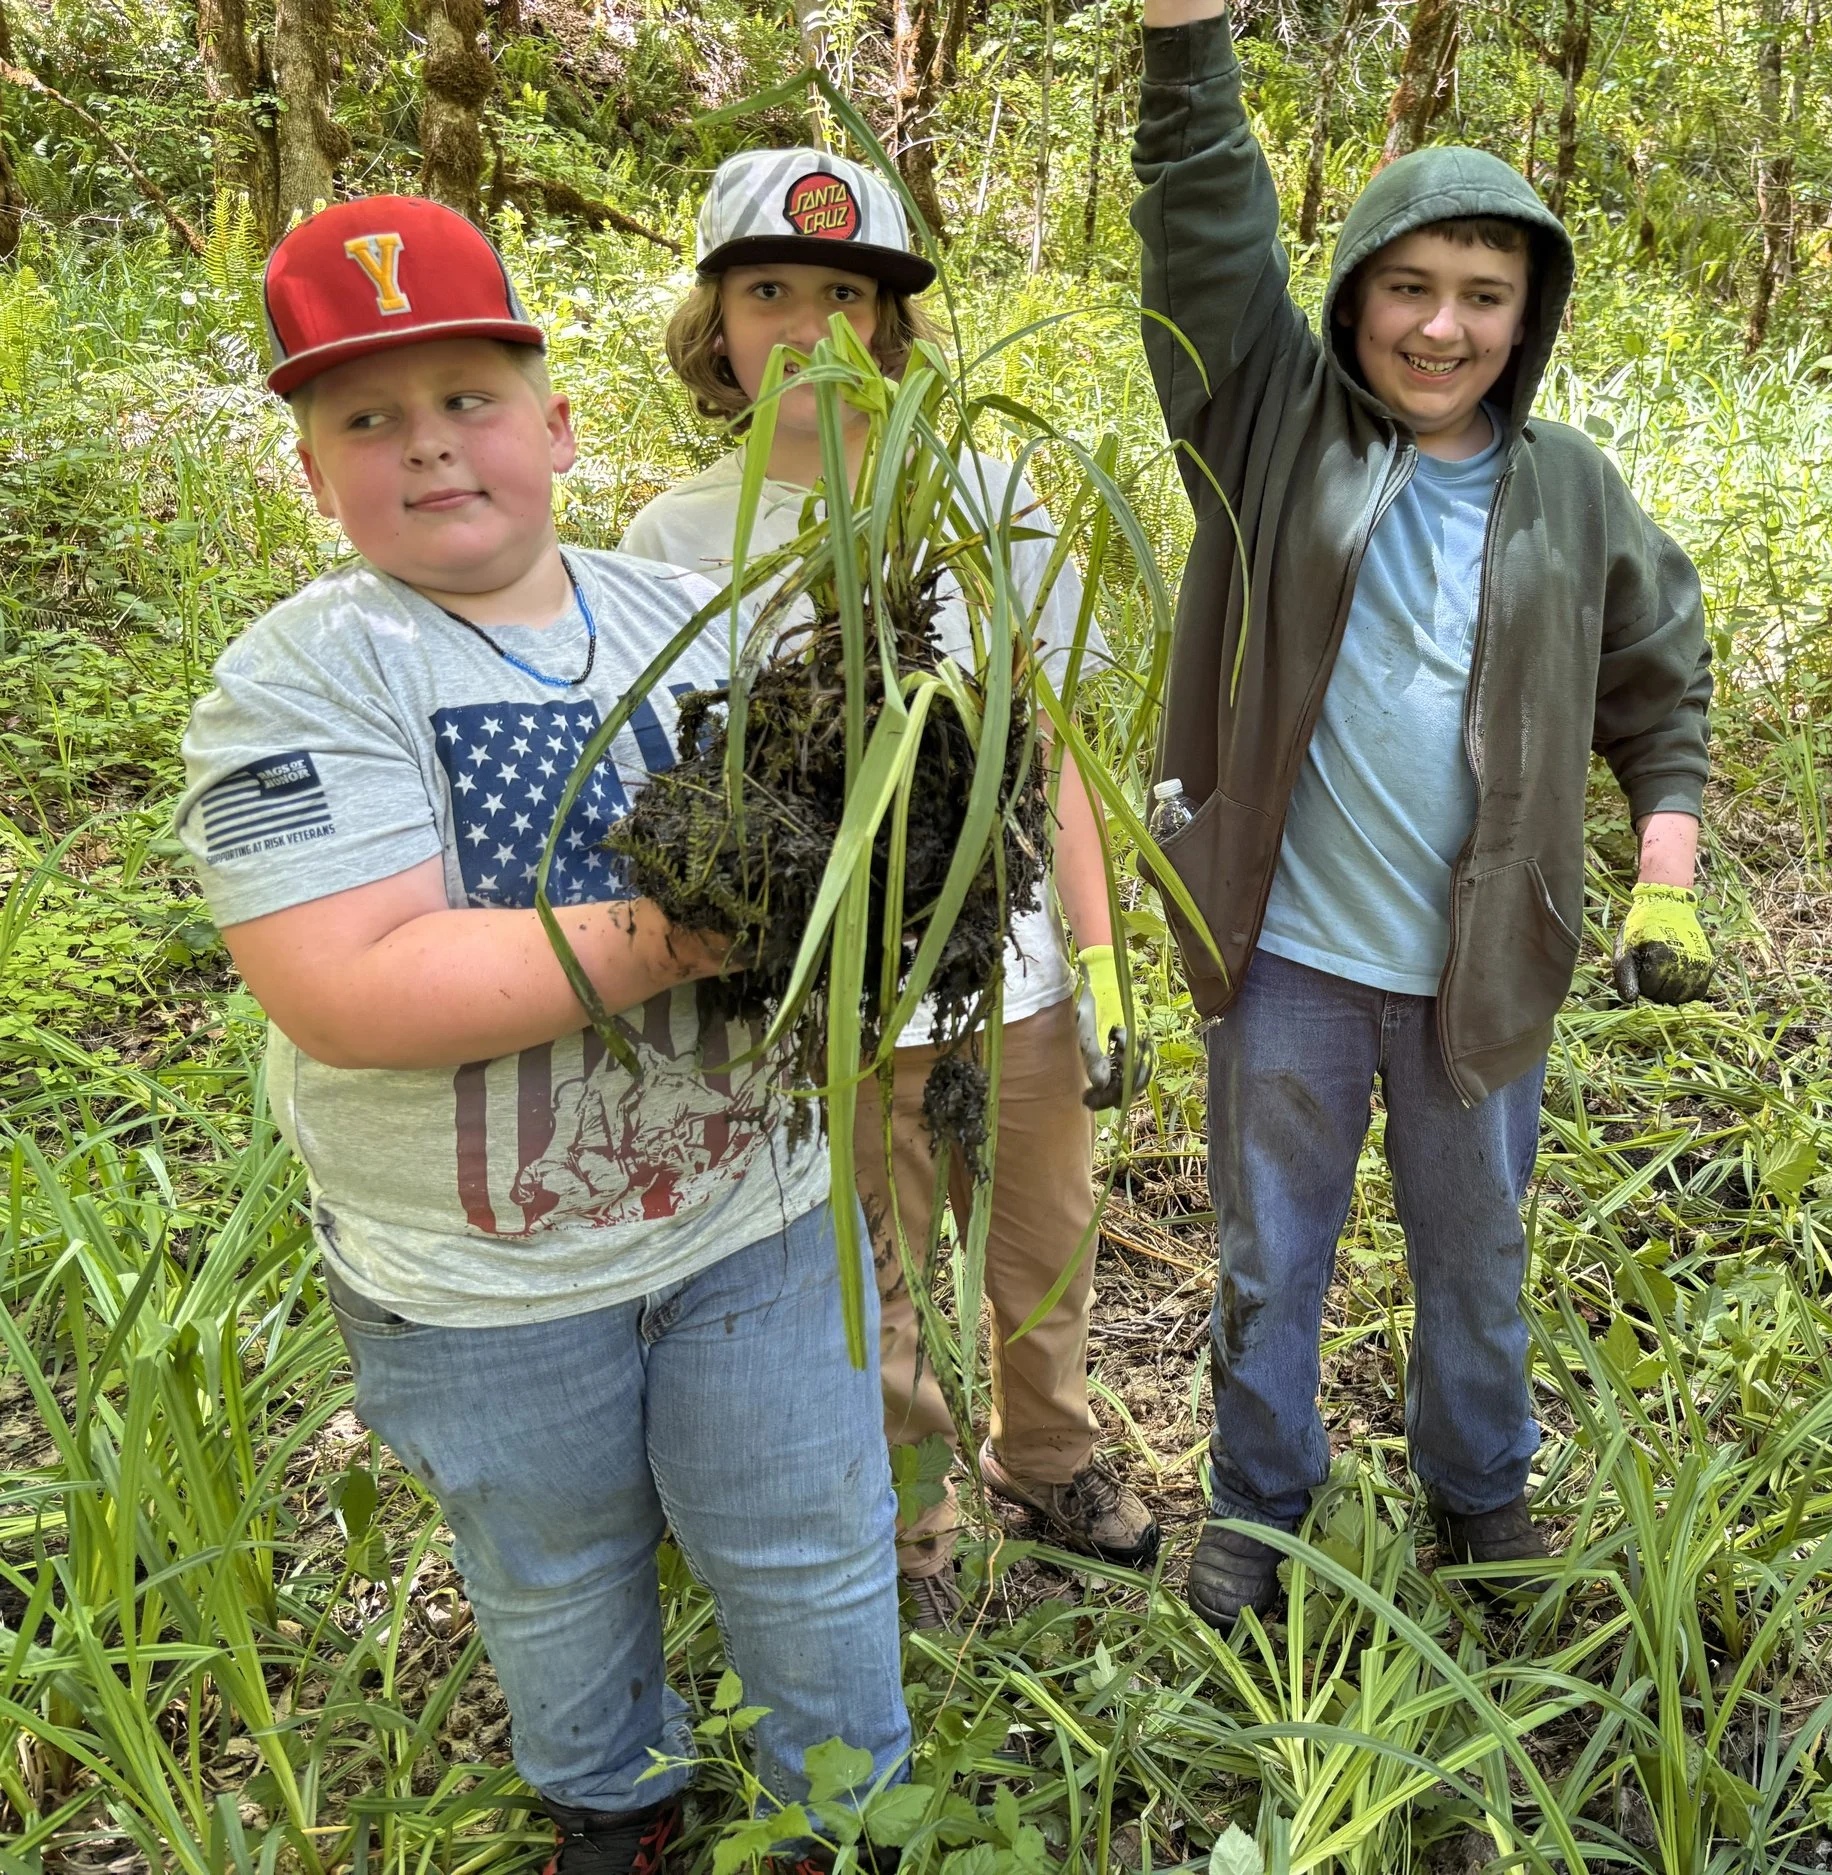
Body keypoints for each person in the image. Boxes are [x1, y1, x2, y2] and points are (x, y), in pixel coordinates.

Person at [176, 197, 909, 1872]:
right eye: (368, 419)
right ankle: (613, 1801)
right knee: (556, 1566)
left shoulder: (703, 615)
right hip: (480, 1281)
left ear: (558, 424)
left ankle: (849, 1815)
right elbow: (350, 983)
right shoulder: (303, 680)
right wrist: (689, 934)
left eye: (469, 401)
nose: (429, 450)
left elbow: (855, 837)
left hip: (755, 1222)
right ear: (311, 469)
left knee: (810, 1537)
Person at [1130, 0, 1717, 1625]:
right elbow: (1202, 226)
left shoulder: (1573, 489)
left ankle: (1482, 1492)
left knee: (1479, 1259)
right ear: (1354, 296)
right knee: (1270, 1259)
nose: (1441, 329)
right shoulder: (1264, 425)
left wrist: (1665, 859)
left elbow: (1661, 682)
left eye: (1482, 296)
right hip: (1290, 956)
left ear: (1528, 315)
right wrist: (1188, 50)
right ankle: (1258, 1499)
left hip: (1481, 978)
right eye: (1410, 288)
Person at [621, 149, 1160, 1635]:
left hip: (1017, 970)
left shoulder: (988, 497)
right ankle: (911, 1517)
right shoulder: (674, 540)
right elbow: (699, 807)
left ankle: (1050, 1453)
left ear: (893, 327)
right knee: (871, 1262)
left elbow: (1048, 749)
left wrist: (1105, 962)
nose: (809, 325)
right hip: (831, 994)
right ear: (715, 325)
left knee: (1045, 1234)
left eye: (846, 294)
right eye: (769, 290)